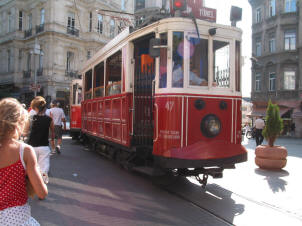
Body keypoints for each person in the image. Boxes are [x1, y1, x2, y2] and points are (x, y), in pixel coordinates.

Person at [0, 98, 48, 225]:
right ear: (18, 124)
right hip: (17, 218)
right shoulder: (24, 151)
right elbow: (41, 193)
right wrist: (43, 177)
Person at [27, 96, 55, 183]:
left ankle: (32, 182)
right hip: (44, 147)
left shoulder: (31, 119)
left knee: (32, 166)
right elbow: (52, 133)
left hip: (32, 147)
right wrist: (52, 140)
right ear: (45, 108)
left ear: (35, 108)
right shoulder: (49, 119)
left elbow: (25, 131)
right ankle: (44, 180)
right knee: (44, 167)